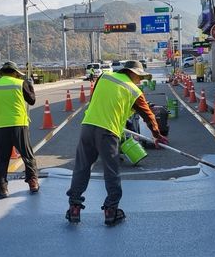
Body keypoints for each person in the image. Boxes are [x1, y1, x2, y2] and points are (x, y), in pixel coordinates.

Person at [66, 60, 168, 226]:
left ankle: (74, 208)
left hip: (88, 126)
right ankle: (111, 210)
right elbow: (148, 115)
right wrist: (157, 134)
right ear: (133, 73)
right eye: (139, 77)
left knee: (82, 167)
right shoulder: (134, 90)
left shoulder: (104, 77)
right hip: (108, 132)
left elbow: (98, 100)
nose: (140, 81)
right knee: (111, 171)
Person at [0, 61, 39, 199]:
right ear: (14, 72)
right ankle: (33, 183)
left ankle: (2, 188)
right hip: (19, 125)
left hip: (1, 126)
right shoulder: (19, 83)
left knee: (1, 158)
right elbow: (32, 100)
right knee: (27, 155)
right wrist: (30, 86)